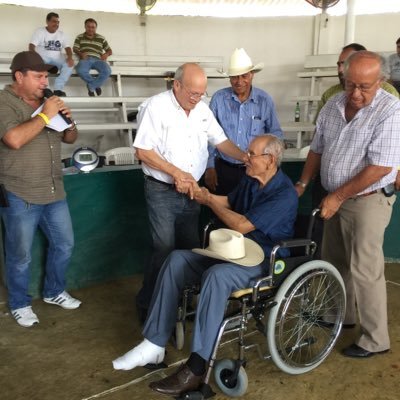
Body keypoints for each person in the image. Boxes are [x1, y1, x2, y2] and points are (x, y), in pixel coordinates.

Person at [113, 134, 298, 397]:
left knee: (216, 276)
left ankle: (198, 367)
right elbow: (228, 202)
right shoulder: (250, 180)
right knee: (177, 258)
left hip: (264, 261)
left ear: (270, 160)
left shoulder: (284, 193)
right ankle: (153, 343)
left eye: (251, 154)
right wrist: (204, 194)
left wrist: (210, 201)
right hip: (235, 251)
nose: (246, 157)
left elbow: (241, 225)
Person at [296, 51, 400, 358]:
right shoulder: (333, 104)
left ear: (380, 82)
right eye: (350, 84)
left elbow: (381, 167)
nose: (355, 94)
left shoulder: (390, 110)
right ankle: (341, 315)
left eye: (364, 87)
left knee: (366, 269)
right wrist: (303, 182)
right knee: (335, 261)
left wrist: (338, 196)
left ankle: (375, 339)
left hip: (366, 201)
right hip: (335, 198)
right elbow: (316, 148)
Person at [133, 63, 247, 322]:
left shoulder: (202, 110)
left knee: (190, 248)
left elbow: (221, 141)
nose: (197, 99)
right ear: (176, 85)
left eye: (201, 93)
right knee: (164, 249)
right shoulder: (156, 107)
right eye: (193, 93)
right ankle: (149, 304)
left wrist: (245, 157)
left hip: (192, 190)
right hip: (162, 190)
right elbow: (143, 151)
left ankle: (182, 304)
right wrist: (176, 173)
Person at [0, 51, 81, 328]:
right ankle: (20, 303)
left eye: (46, 76)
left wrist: (69, 119)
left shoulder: (48, 101)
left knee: (65, 244)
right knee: (20, 256)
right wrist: (46, 117)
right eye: (38, 76)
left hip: (53, 190)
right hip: (19, 191)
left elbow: (71, 138)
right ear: (19, 76)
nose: (44, 81)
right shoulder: (3, 102)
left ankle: (54, 291)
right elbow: (13, 139)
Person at [206, 48, 283, 195]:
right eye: (235, 77)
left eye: (244, 76)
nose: (239, 81)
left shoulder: (264, 100)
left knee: (251, 214)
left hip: (255, 171)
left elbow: (275, 134)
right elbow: (208, 136)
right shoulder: (218, 99)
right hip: (224, 169)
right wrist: (210, 167)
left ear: (252, 75)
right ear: (229, 78)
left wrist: (270, 167)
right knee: (223, 212)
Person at [29, 12, 74, 97]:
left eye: (58, 22)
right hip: (43, 58)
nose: (56, 24)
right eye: (54, 21)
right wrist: (34, 56)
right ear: (47, 21)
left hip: (57, 58)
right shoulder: (40, 31)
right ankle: (46, 89)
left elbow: (67, 48)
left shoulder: (61, 34)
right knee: (39, 64)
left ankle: (58, 89)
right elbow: (31, 45)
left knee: (69, 64)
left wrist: (70, 57)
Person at [73, 18, 112, 97]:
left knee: (107, 71)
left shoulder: (101, 38)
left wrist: (106, 54)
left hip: (98, 60)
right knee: (80, 70)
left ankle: (91, 86)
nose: (91, 29)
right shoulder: (79, 37)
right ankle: (96, 85)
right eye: (88, 27)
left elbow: (109, 50)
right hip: (86, 59)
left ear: (95, 28)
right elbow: (75, 49)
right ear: (85, 27)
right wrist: (81, 54)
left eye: (93, 27)